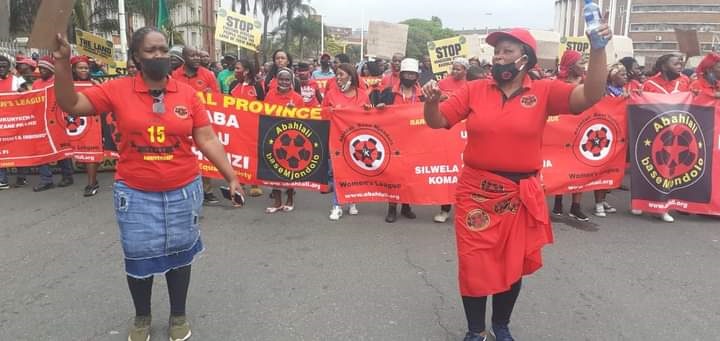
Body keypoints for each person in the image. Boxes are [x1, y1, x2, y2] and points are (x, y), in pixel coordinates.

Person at [51, 27, 243, 341]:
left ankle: (178, 315)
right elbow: (71, 104)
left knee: (180, 254)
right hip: (136, 193)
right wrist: (61, 64)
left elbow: (206, 138)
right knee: (138, 257)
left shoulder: (187, 94)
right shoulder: (116, 89)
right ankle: (142, 317)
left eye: (164, 50)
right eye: (151, 50)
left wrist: (231, 177)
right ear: (136, 57)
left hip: (183, 190)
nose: (159, 55)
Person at [423, 26, 611, 341]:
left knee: (511, 264)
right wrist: (429, 102)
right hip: (476, 193)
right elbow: (437, 121)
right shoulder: (474, 90)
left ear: (525, 58)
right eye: (496, 51)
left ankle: (501, 326)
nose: (499, 56)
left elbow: (590, 95)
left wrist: (599, 49)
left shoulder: (544, 91)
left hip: (520, 194)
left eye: (507, 50)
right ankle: (475, 331)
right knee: (474, 263)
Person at [635, 53, 690, 223]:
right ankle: (641, 201)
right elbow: (641, 108)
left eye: (681, 63)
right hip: (653, 134)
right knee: (648, 169)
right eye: (676, 63)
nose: (680, 66)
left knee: (670, 170)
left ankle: (663, 206)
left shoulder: (684, 81)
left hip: (676, 135)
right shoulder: (649, 84)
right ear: (664, 66)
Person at [172, 46, 222, 206]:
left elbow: (218, 100)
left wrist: (210, 96)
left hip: (202, 123)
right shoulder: (174, 76)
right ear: (184, 57)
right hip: (181, 123)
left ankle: (207, 191)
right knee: (183, 156)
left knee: (205, 155)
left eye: (198, 56)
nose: (196, 58)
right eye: (192, 55)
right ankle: (182, 189)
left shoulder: (208, 75)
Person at [375, 58, 422, 223]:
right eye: (407, 74)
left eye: (413, 74)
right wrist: (380, 108)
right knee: (394, 175)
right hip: (393, 140)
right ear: (401, 75)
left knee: (410, 175)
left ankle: (407, 206)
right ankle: (392, 207)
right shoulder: (388, 93)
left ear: (416, 76)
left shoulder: (423, 95)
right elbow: (378, 114)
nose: (410, 76)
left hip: (415, 141)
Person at [323, 63, 370, 220]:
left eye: (341, 74)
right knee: (338, 172)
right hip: (336, 140)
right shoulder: (331, 94)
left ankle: (352, 200)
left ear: (350, 76)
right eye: (337, 74)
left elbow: (368, 116)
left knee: (354, 170)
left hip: (356, 140)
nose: (338, 77)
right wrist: (330, 112)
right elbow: (322, 113)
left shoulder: (362, 94)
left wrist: (370, 110)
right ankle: (337, 205)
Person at [552, 50, 590, 221]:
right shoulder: (556, 83)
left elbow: (598, 101)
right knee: (561, 167)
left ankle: (576, 206)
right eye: (580, 61)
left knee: (580, 167)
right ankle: (558, 201)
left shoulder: (588, 83)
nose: (583, 65)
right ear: (570, 64)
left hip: (581, 131)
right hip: (561, 134)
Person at [431, 57, 470, 223]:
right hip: (447, 132)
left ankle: (467, 209)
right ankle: (445, 209)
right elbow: (431, 102)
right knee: (447, 169)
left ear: (465, 71)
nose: (455, 72)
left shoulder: (471, 86)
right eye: (453, 68)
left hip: (465, 135)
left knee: (464, 173)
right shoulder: (442, 83)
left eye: (458, 69)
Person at [31, 57, 76, 192]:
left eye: (44, 68)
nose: (41, 71)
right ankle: (46, 180)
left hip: (57, 120)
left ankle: (67, 175)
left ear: (51, 69)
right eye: (40, 68)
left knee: (61, 148)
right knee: (41, 150)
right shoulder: (36, 84)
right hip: (40, 121)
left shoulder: (58, 83)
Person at [263, 67, 303, 214]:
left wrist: (294, 112)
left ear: (291, 81)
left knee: (289, 170)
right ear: (276, 80)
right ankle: (277, 201)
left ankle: (290, 198)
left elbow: (304, 120)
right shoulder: (270, 94)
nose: (284, 82)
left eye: (287, 79)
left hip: (290, 140)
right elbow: (264, 113)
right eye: (281, 79)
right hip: (273, 137)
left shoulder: (297, 98)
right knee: (274, 170)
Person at [228, 58, 266, 198]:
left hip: (252, 128)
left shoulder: (257, 87)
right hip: (235, 127)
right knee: (237, 153)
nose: (235, 71)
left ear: (246, 71)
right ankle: (240, 181)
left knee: (252, 154)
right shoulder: (233, 85)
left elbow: (263, 106)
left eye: (238, 68)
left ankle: (255, 184)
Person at [593, 63, 626, 217]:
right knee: (602, 169)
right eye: (622, 74)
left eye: (626, 74)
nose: (625, 77)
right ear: (613, 77)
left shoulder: (625, 93)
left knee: (612, 169)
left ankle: (604, 199)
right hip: (604, 136)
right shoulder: (604, 92)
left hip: (619, 137)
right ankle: (598, 202)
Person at [70, 55, 104, 196]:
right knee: (81, 152)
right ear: (74, 69)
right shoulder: (68, 85)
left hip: (93, 122)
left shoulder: (95, 83)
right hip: (74, 123)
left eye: (86, 68)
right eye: (80, 68)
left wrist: (98, 87)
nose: (84, 70)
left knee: (91, 152)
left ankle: (92, 182)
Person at [0, 54, 30, 189]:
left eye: (4, 66)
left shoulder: (17, 79)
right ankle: (3, 180)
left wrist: (21, 91)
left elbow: (28, 94)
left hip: (16, 123)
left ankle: (21, 177)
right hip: (1, 124)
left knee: (18, 150)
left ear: (9, 68)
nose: (1, 69)